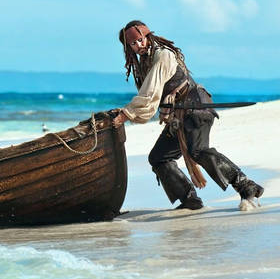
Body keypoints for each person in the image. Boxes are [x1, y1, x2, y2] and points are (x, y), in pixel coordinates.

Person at [111, 20, 263, 210]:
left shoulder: (163, 55)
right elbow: (152, 95)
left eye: (140, 40)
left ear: (147, 36)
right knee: (159, 157)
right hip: (178, 117)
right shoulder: (144, 64)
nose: (138, 46)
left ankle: (247, 187)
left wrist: (126, 114)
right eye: (133, 44)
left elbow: (149, 94)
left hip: (196, 109)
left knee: (197, 151)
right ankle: (190, 200)